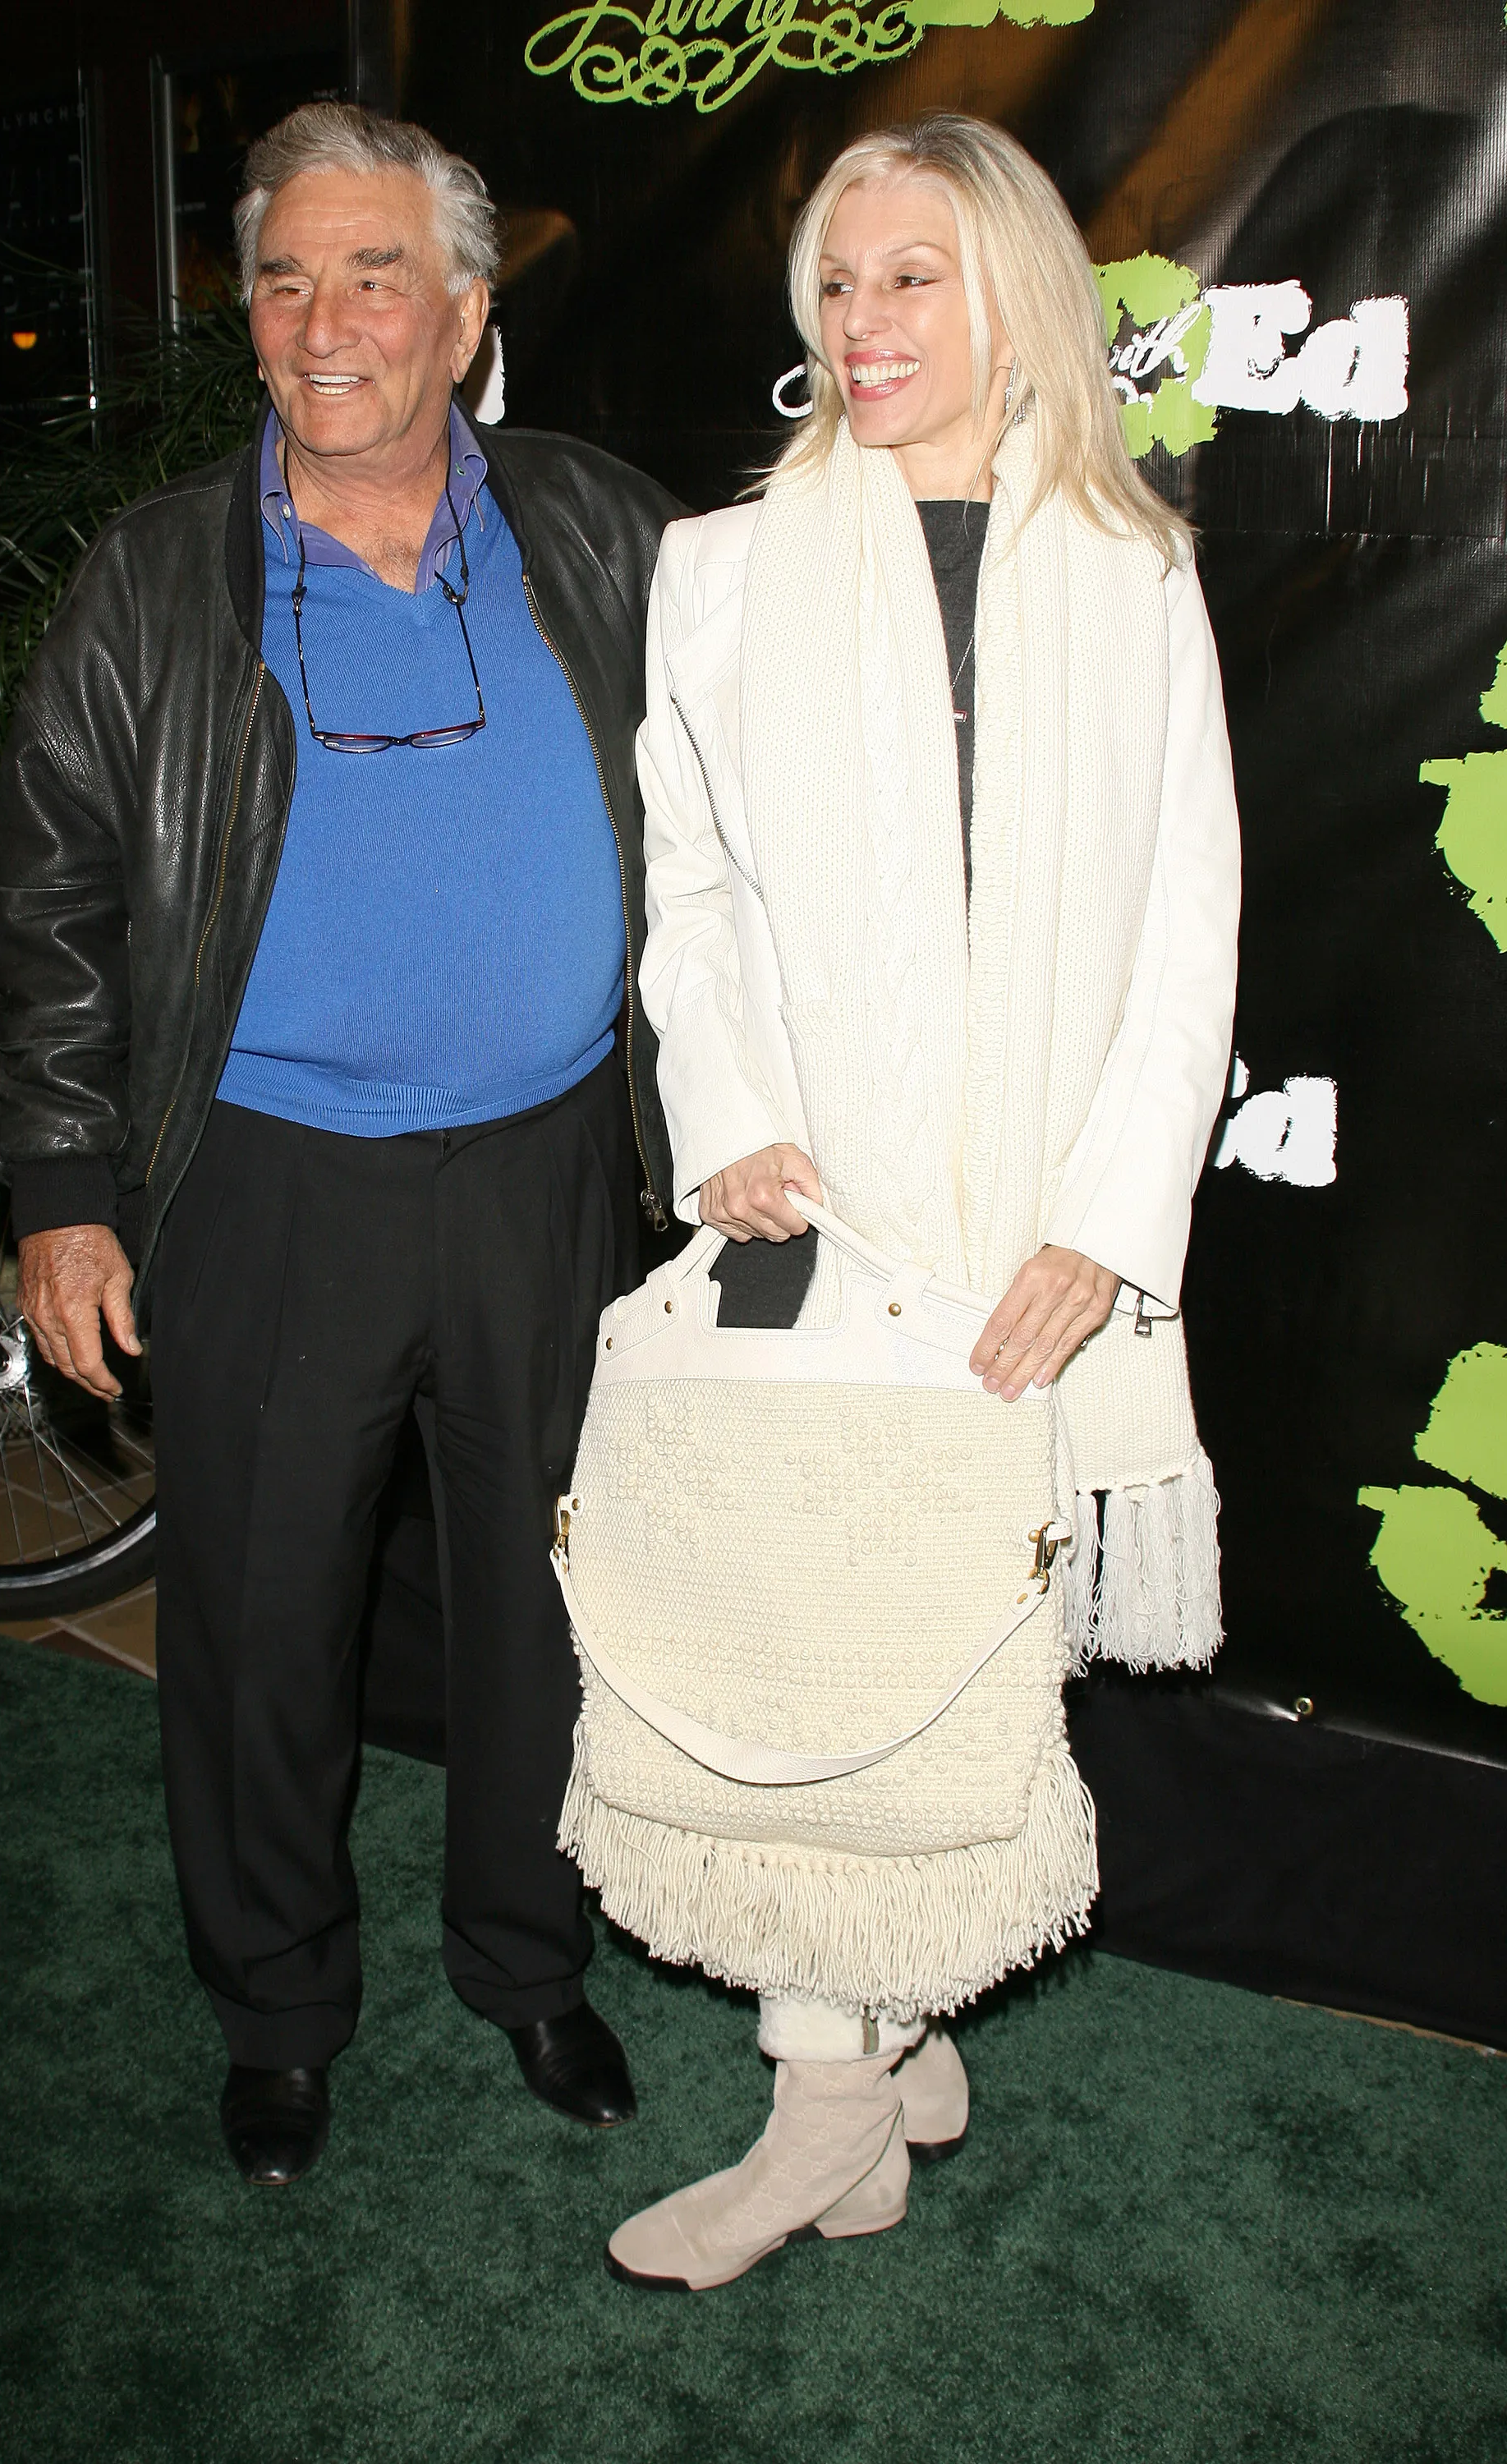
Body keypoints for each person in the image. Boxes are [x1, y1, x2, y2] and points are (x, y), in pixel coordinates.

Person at [0, 103, 682, 2186]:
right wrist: (65, 1190)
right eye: (284, 276)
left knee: (551, 1610)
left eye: (373, 274)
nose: (320, 320)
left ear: (465, 318)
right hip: (271, 1182)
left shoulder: (604, 529)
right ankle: (277, 2009)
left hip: (561, 1170)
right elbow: (48, 898)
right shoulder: (155, 578)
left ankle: (529, 1961)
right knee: (265, 1620)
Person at [607, 114, 1241, 2287]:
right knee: (821, 1651)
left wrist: (1108, 1219)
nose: (861, 325)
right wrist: (732, 1115)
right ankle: (829, 2090)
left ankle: (872, 2062)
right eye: (836, 285)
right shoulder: (726, 567)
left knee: (968, 1648)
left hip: (1039, 1226)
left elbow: (1187, 929)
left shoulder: (1129, 568)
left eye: (908, 280)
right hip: (828, 1211)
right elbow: (688, 894)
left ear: (1013, 299)